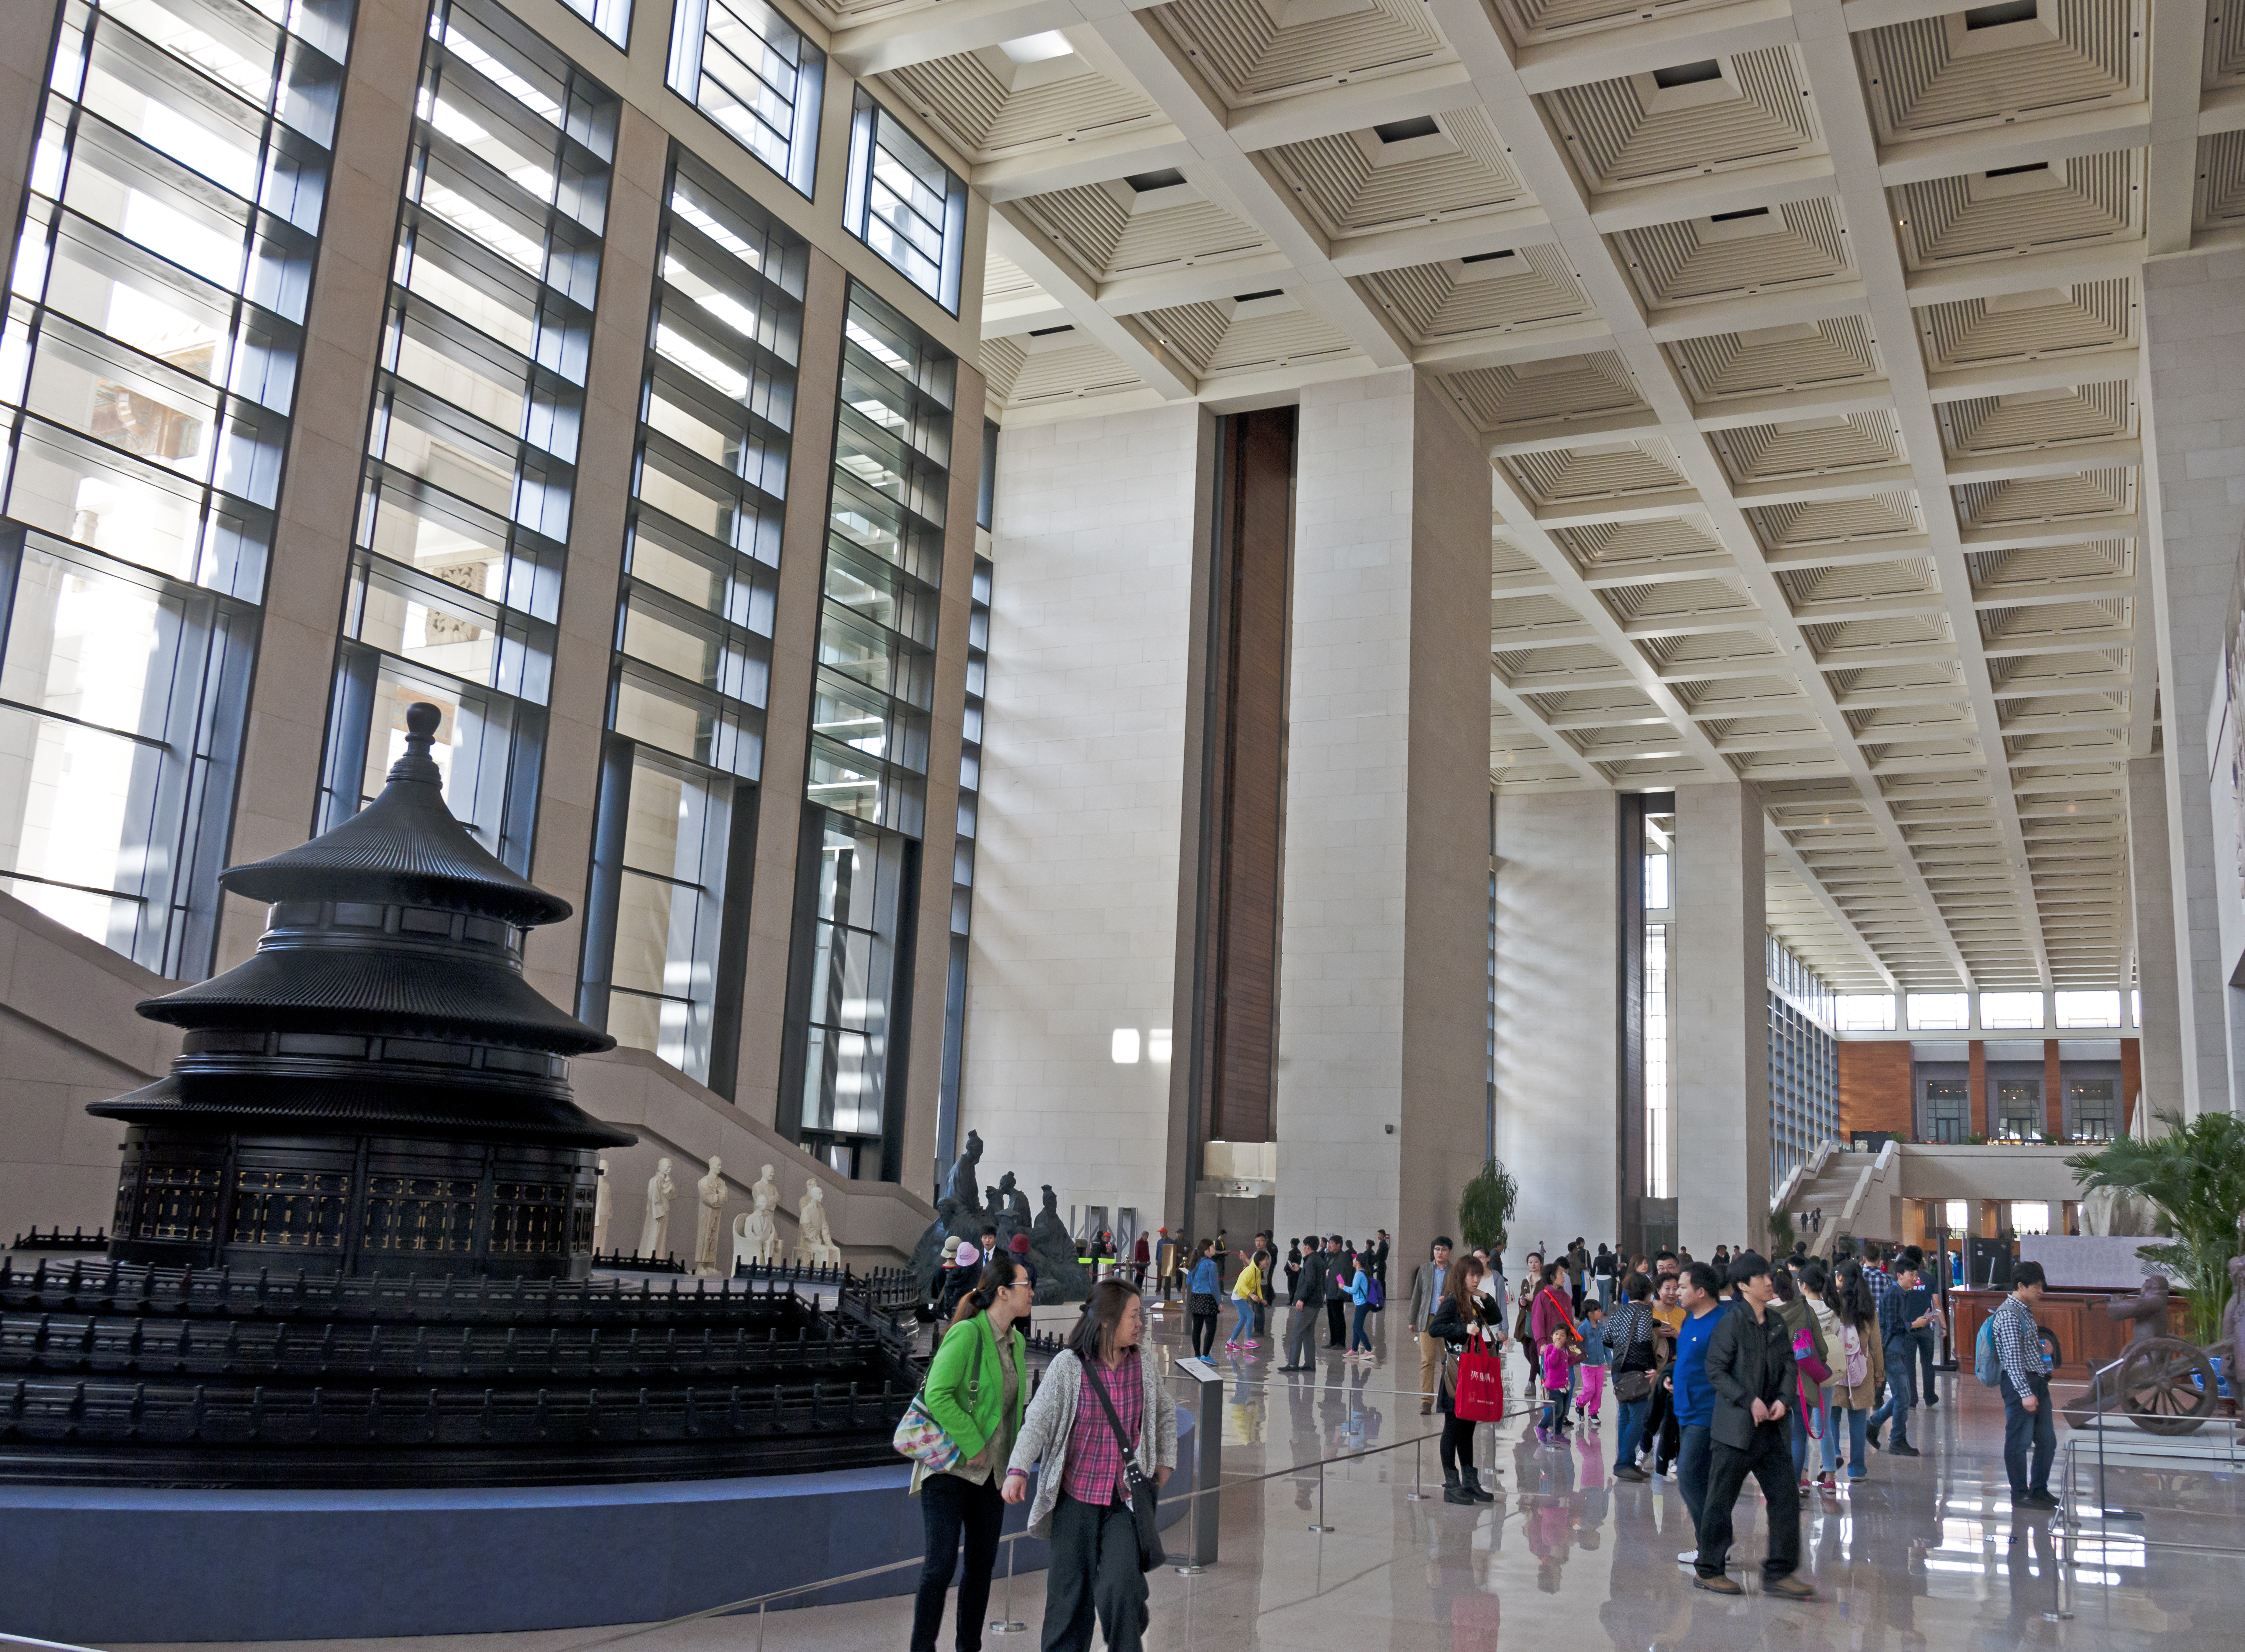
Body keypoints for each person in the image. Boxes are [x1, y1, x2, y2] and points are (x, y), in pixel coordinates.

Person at [1002, 1280, 1178, 1652]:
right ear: (1106, 1321)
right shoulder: (1069, 1367)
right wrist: (1018, 1469)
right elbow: (1038, 1420)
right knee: (1068, 1600)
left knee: (1121, 1587)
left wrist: (1165, 1461)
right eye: (1134, 1316)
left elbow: (1164, 1411)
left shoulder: (1143, 1363)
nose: (1141, 1324)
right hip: (1075, 1499)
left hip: (1123, 1500)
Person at [910, 1249, 1035, 1652]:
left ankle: (969, 1647)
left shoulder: (1016, 1342)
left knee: (981, 1568)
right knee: (940, 1566)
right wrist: (973, 1442)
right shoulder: (967, 1333)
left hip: (990, 1476)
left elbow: (1012, 1413)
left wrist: (1016, 1466)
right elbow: (937, 1393)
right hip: (949, 1470)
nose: (1032, 1291)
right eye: (1026, 1285)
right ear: (1003, 1292)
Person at [1694, 1253, 1813, 1599]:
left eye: (1768, 1275)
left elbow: (1789, 1365)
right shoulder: (1730, 1323)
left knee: (1785, 1498)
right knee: (1720, 1501)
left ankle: (1779, 1573)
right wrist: (1749, 1400)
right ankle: (1709, 1570)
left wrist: (1783, 1400)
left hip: (1771, 1430)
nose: (1769, 1281)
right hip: (1736, 1431)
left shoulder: (1775, 1321)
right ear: (1744, 1286)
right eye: (1761, 1277)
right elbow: (1716, 1370)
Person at [1428, 1251, 1504, 1504]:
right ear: (1461, 1276)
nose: (1476, 1280)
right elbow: (1435, 1329)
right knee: (1453, 1428)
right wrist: (1463, 1329)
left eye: (1478, 1276)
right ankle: (1452, 1484)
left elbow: (1496, 1318)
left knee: (1468, 1429)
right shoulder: (1452, 1302)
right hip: (1456, 1374)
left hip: (1471, 1373)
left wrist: (1484, 1296)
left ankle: (1470, 1482)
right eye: (1472, 1276)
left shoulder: (1471, 1302)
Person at [1668, 1262, 1723, 1568]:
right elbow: (1688, 1359)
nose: (1677, 1292)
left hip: (1708, 1412)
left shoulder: (1721, 1322)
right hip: (1685, 1409)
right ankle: (1718, 1541)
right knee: (1699, 1479)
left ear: (1701, 1292)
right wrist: (1671, 1377)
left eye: (1683, 1287)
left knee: (1689, 1476)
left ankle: (1710, 1546)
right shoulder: (1690, 1318)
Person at [1992, 1259, 2059, 1511]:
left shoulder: (2024, 1310)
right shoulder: (2009, 1314)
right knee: (2019, 1442)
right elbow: (2012, 1360)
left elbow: (2022, 1347)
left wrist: (2042, 1347)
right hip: (2020, 1385)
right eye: (2037, 1287)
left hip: (2036, 1381)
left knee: (2047, 1441)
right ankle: (2020, 1494)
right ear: (2021, 1286)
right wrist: (2025, 1393)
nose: (2041, 1292)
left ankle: (2039, 1490)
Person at [1770, 1263, 1829, 1491]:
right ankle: (1794, 1485)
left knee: (1774, 1437)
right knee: (1798, 1437)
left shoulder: (1765, 1312)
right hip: (1803, 1381)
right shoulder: (1805, 1308)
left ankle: (1776, 1485)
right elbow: (1821, 1347)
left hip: (1774, 1383)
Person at [1866, 1250, 1930, 1457]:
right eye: (1912, 1275)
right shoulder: (1894, 1294)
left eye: (1916, 1274)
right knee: (1903, 1397)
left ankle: (1874, 1424)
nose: (1915, 1278)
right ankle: (1897, 1440)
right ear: (1900, 1275)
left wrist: (1918, 1323)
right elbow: (1892, 1326)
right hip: (1892, 1350)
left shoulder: (1901, 1294)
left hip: (1897, 1349)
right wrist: (1914, 1324)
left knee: (1902, 1396)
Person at [1825, 1261, 1884, 1482]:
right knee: (1858, 1418)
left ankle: (1833, 1455)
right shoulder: (1868, 1307)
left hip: (1834, 1367)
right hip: (1862, 1369)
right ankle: (1857, 1469)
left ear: (1840, 1277)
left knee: (1832, 1415)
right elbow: (1876, 1345)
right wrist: (1879, 1375)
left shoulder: (1831, 1304)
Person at [1607, 1273, 1658, 1481]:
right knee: (1638, 1418)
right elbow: (1644, 1340)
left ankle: (1627, 1462)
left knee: (1625, 1417)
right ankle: (1622, 1464)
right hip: (1637, 1370)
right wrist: (1652, 1367)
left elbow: (1607, 1338)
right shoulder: (1645, 1311)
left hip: (1618, 1370)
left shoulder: (1619, 1311)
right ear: (1647, 1293)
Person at [1800, 1258, 1843, 1490]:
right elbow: (1836, 1334)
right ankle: (1830, 1478)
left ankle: (1804, 1476)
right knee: (1824, 1425)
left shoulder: (1800, 1309)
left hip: (1805, 1372)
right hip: (1827, 1371)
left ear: (1804, 1285)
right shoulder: (1831, 1310)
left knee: (1802, 1426)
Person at [1530, 1260, 1581, 1441]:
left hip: (1566, 1349)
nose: (1564, 1277)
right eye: (1560, 1274)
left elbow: (1570, 1322)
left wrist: (1573, 1343)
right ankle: (1547, 1423)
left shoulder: (1566, 1297)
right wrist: (1542, 1343)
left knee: (1569, 1382)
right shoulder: (1542, 1297)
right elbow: (1537, 1322)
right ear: (1552, 1277)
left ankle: (1559, 1421)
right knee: (1553, 1388)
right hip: (1551, 1349)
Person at [1409, 1237, 1453, 1415]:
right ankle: (1426, 1401)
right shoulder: (1425, 1269)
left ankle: (1446, 1398)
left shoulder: (1455, 1271)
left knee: (1448, 1361)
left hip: (1447, 1321)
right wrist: (1412, 1319)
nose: (1440, 1253)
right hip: (1427, 1320)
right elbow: (1417, 1294)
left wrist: (1448, 1299)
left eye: (1443, 1249)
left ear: (1449, 1252)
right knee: (1427, 1361)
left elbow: (1460, 1295)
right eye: (1437, 1249)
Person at [1279, 1233, 1329, 1371]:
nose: (1303, 1248)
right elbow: (1312, 1278)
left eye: (1304, 1246)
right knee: (1308, 1333)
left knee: (1297, 1332)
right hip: (1315, 1302)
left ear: (1307, 1247)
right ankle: (1310, 1364)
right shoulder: (1316, 1259)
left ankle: (1293, 1364)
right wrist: (1300, 1270)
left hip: (1309, 1303)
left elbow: (1310, 1282)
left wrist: (1302, 1299)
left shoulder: (1311, 1261)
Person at [1185, 1239, 1220, 1359]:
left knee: (1197, 1328)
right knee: (1211, 1329)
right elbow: (1214, 1285)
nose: (1214, 1248)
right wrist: (1219, 1302)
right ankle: (1206, 1356)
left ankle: (1197, 1356)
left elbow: (1189, 1282)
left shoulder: (1195, 1263)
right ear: (1206, 1251)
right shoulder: (1211, 1264)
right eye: (1212, 1247)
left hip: (1195, 1298)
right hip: (1208, 1299)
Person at [1577, 1300, 1609, 1424]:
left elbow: (1606, 1346)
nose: (1601, 1313)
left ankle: (1593, 1413)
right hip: (1587, 1365)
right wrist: (1579, 1357)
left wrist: (1609, 1361)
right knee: (1590, 1389)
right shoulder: (1583, 1329)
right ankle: (1580, 1404)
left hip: (1600, 1365)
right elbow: (1575, 1346)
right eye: (1598, 1311)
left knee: (1599, 1391)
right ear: (1590, 1314)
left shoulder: (1602, 1327)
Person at [1226, 1244, 1262, 1352]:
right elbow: (1242, 1283)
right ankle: (1248, 1340)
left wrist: (1261, 1298)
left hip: (1240, 1297)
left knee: (1244, 1319)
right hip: (1238, 1297)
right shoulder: (1253, 1269)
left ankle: (1231, 1342)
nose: (1267, 1262)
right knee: (1250, 1315)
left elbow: (1257, 1284)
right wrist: (1251, 1295)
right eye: (1265, 1260)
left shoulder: (1256, 1271)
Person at [1346, 1252, 1376, 1357]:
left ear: (1358, 1262)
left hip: (1361, 1303)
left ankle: (1369, 1350)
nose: (1353, 1260)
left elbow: (1354, 1290)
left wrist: (1343, 1287)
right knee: (1357, 1327)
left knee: (1357, 1327)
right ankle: (1354, 1350)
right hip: (1363, 1303)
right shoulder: (1363, 1272)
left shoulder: (1359, 1274)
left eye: (1355, 1259)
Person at [1322, 1235, 1349, 1348]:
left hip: (1337, 1293)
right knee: (1331, 1318)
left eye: (1332, 1243)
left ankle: (1340, 1343)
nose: (1330, 1245)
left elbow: (1341, 1275)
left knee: (1339, 1318)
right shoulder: (1331, 1257)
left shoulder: (1343, 1257)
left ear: (1339, 1245)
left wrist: (1340, 1292)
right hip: (1330, 1291)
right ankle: (1333, 1341)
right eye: (1329, 1243)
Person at [1372, 1229, 1391, 1293]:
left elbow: (1379, 1255)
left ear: (1383, 1235)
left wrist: (1373, 1257)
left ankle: (1381, 1295)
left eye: (1379, 1235)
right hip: (1382, 1264)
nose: (1378, 1236)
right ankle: (1383, 1295)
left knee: (1380, 1281)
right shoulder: (1385, 1244)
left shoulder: (1382, 1244)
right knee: (1382, 1281)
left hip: (1381, 1264)